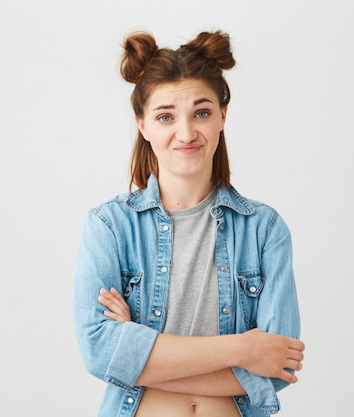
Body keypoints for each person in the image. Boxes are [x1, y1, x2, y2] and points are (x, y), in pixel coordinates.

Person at [74, 29, 305, 417]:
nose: (186, 133)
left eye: (201, 112)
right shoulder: (109, 225)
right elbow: (99, 351)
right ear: (143, 125)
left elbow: (277, 367)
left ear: (222, 117)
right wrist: (244, 349)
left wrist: (139, 352)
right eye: (166, 116)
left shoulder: (264, 229)